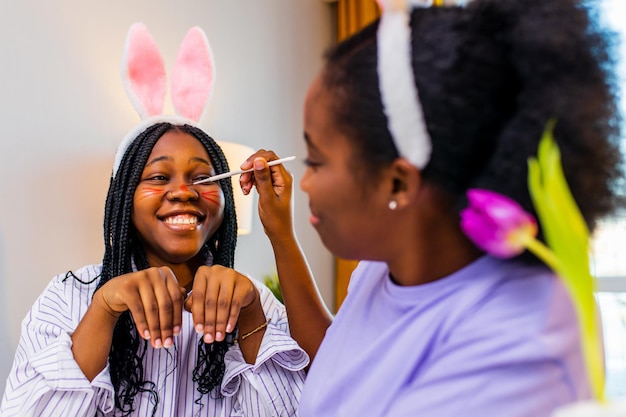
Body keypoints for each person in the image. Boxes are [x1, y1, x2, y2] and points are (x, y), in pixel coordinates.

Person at [240, 0, 625, 416]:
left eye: (315, 161)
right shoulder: (391, 262)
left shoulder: (519, 345)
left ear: (398, 183)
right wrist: (280, 231)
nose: (307, 182)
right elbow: (341, 374)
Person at [0, 23, 307, 417]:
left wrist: (249, 316)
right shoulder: (67, 299)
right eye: (160, 177)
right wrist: (104, 309)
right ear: (124, 198)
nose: (184, 192)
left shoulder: (257, 303)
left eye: (202, 178)